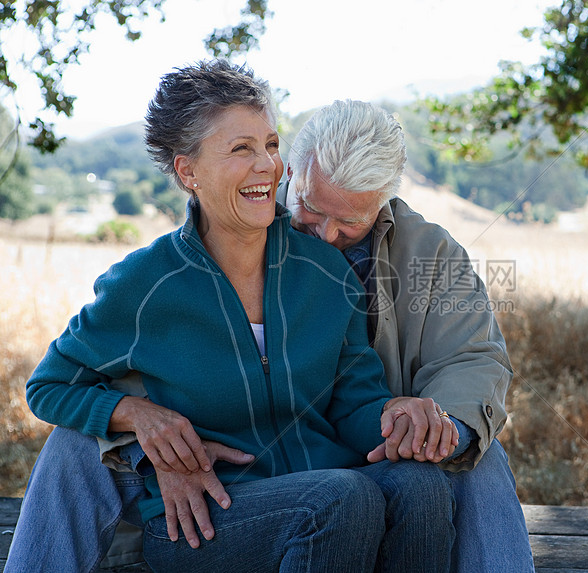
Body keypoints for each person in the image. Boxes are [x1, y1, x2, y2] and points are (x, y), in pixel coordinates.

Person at [7, 60, 455, 572]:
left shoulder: (327, 271)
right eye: (241, 149)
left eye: (270, 144)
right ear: (188, 171)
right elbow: (48, 386)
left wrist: (398, 415)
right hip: (208, 516)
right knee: (341, 497)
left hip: (328, 486)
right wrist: (138, 415)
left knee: (419, 486)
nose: (267, 165)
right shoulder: (145, 284)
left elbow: (354, 403)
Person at [279, 99, 534, 572]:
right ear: (291, 171)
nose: (328, 234)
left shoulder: (433, 251)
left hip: (389, 443)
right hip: (285, 451)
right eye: (311, 208)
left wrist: (440, 426)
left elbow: (473, 359)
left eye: (350, 220)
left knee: (482, 460)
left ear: (382, 201)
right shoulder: (245, 227)